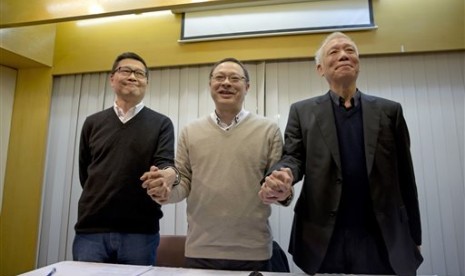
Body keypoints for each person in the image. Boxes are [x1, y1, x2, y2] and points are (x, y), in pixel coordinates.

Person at [259, 32, 423, 276]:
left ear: (358, 63)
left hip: (382, 235)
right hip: (323, 236)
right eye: (333, 52)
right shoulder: (302, 112)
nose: (344, 55)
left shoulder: (390, 111)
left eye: (350, 50)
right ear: (320, 68)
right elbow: (293, 157)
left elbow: (406, 178)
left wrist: (414, 236)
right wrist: (283, 175)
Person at [141, 57, 287, 271]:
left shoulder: (269, 130)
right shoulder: (190, 131)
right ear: (210, 85)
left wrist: (282, 191)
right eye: (219, 77)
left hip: (253, 251)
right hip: (200, 250)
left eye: (234, 78)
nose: (226, 82)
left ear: (247, 87)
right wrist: (165, 193)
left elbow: (278, 183)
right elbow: (183, 182)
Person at [73, 52, 178, 265]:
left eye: (139, 73)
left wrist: (168, 175)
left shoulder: (161, 123)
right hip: (91, 230)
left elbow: (165, 164)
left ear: (146, 82)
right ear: (112, 78)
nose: (133, 77)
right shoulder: (92, 123)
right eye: (126, 71)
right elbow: (86, 174)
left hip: (140, 232)